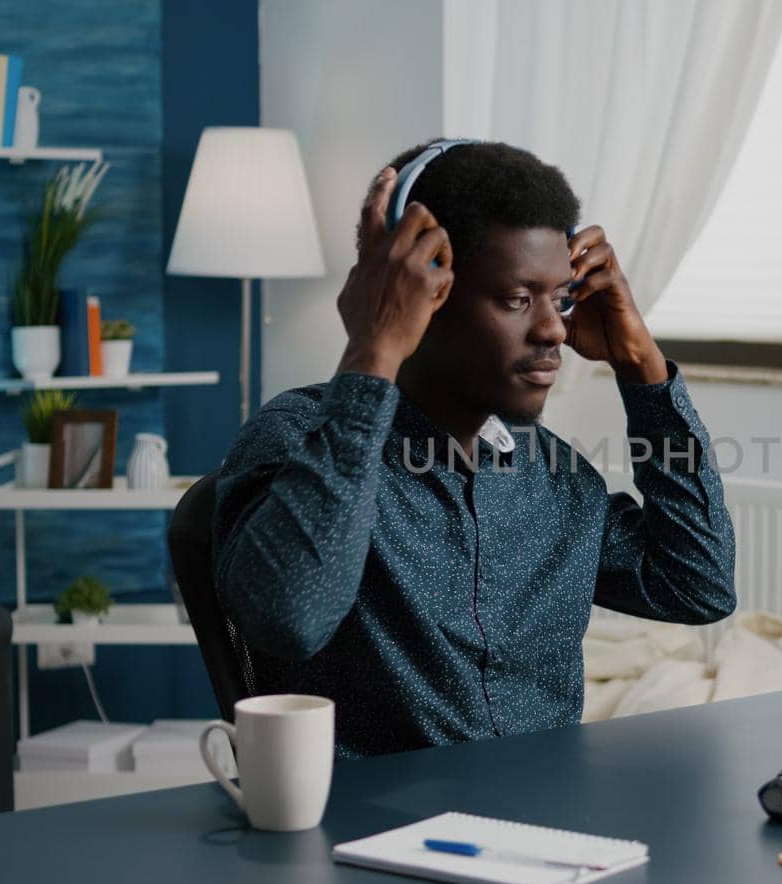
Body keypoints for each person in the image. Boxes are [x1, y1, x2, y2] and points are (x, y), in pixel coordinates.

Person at [211, 140, 737, 756]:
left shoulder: (551, 474)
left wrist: (641, 365)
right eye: (518, 300)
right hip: (373, 837)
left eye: (560, 299)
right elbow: (289, 620)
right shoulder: (302, 436)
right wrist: (374, 348)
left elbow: (699, 585)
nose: (553, 330)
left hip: (546, 827)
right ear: (421, 299)